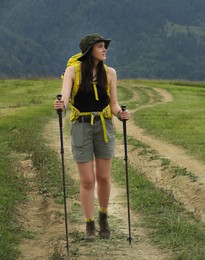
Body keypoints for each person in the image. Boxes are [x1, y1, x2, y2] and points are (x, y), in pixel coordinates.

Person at [54, 33, 130, 242]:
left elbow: (113, 105)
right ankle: (89, 224)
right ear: (89, 51)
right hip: (81, 127)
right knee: (87, 180)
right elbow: (66, 97)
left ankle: (103, 217)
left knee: (103, 177)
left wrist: (121, 114)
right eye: (100, 46)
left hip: (103, 126)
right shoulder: (73, 71)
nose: (105, 49)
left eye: (105, 46)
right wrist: (60, 105)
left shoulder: (110, 73)